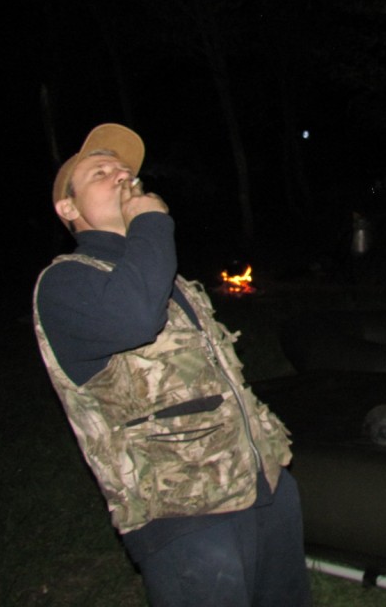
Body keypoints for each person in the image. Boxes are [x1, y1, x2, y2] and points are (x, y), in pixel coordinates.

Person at [33, 123, 311, 607]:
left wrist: (274, 474)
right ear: (68, 209)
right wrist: (150, 223)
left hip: (261, 484)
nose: (121, 174)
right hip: (184, 512)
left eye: (124, 169)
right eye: (100, 173)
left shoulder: (165, 276)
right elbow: (134, 319)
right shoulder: (65, 284)